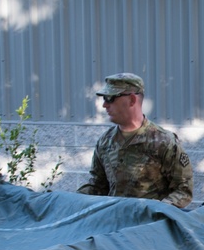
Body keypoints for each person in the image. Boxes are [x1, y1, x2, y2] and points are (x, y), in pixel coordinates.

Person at [78, 73, 193, 208]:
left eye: (110, 98)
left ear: (132, 99)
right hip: (115, 224)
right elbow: (97, 187)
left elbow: (183, 190)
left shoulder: (163, 142)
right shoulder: (105, 142)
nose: (104, 105)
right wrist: (68, 200)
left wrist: (156, 211)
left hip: (148, 226)